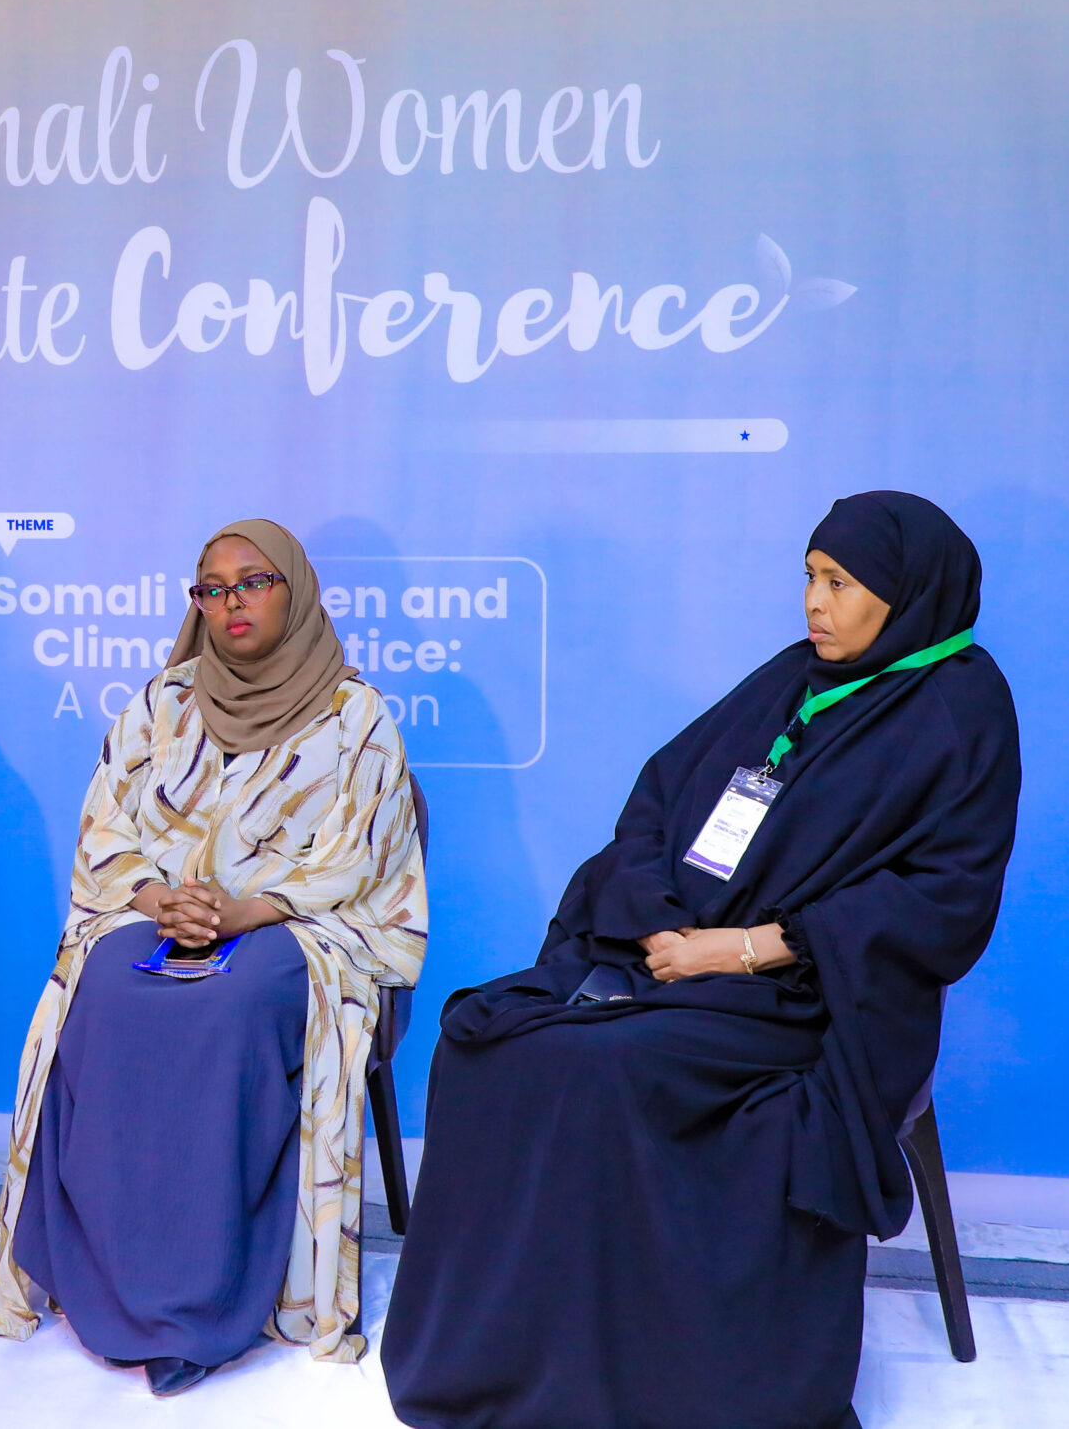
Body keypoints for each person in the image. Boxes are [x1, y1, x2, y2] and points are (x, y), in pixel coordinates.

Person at [381, 491, 1020, 1429]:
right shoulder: (796, 676)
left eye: (840, 583)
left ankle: (642, 1377)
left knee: (605, 1064)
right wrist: (654, 918)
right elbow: (659, 795)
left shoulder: (960, 705)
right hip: (676, 952)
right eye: (810, 576)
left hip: (814, 994)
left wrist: (750, 947)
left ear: (906, 593)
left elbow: (946, 900)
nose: (815, 601)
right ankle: (512, 1358)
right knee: (487, 1044)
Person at [0, 519, 426, 1396]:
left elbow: (356, 860)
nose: (231, 602)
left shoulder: (356, 716)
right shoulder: (161, 704)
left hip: (300, 928)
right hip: (164, 911)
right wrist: (159, 900)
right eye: (211, 588)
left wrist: (242, 910)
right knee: (107, 984)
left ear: (294, 590)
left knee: (230, 999)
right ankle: (106, 1275)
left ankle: (207, 1293)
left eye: (252, 581)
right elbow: (106, 829)